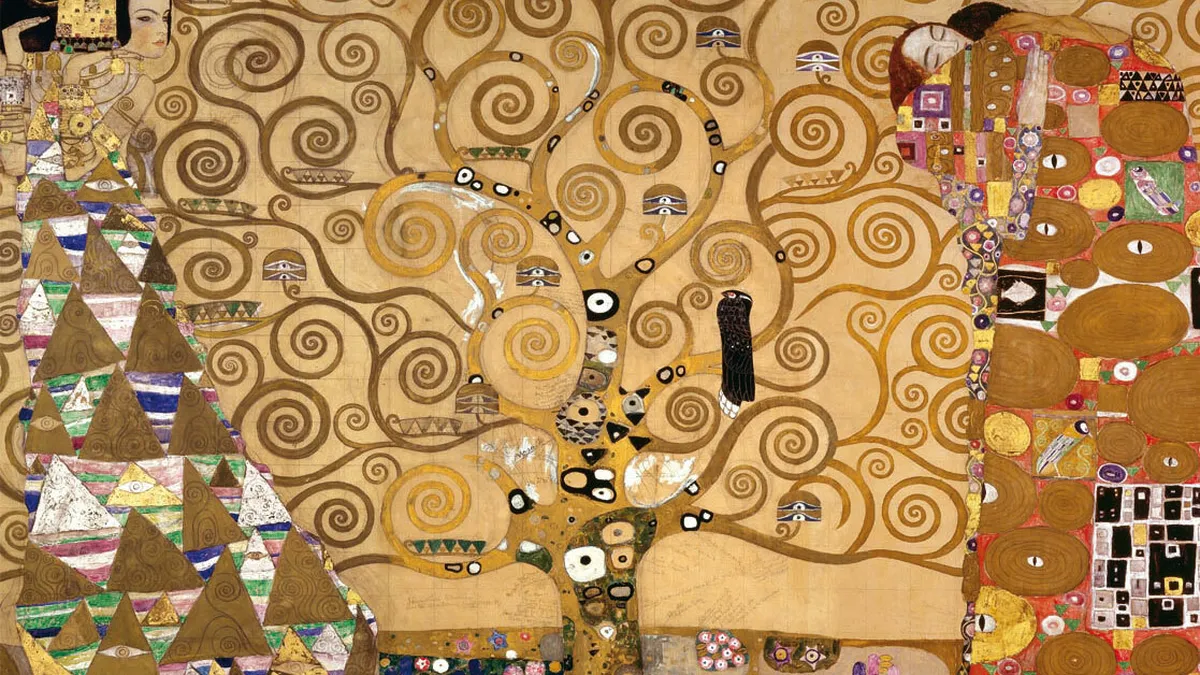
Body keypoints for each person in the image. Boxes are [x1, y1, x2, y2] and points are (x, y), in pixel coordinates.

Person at [1, 2, 378, 672]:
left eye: (166, 19)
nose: (160, 35)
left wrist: (46, 75)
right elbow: (33, 129)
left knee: (145, 414)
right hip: (72, 270)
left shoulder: (106, 94)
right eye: (148, 17)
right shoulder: (64, 98)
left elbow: (68, 127)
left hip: (105, 264)